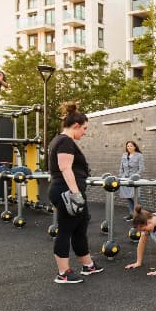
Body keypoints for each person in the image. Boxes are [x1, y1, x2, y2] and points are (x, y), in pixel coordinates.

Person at [47, 102, 104, 284]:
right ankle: (63, 273)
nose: (85, 132)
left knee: (80, 227)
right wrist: (75, 194)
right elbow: (65, 168)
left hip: (69, 190)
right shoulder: (64, 140)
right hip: (67, 191)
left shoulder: (61, 140)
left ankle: (88, 265)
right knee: (65, 230)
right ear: (76, 126)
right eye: (84, 128)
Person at [118, 140, 145, 221]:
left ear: (135, 147)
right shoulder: (124, 155)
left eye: (131, 146)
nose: (129, 147)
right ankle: (131, 214)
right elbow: (121, 167)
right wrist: (121, 176)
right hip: (124, 179)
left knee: (135, 198)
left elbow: (141, 168)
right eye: (128, 146)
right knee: (128, 197)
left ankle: (140, 215)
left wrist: (135, 176)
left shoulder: (139, 155)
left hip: (134, 180)